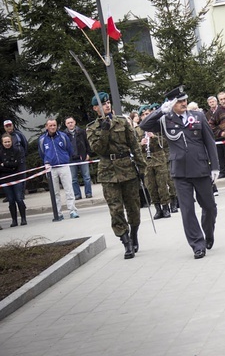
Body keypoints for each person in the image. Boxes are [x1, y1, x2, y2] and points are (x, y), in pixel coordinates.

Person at [141, 86, 220, 259]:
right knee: (187, 210)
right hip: (180, 172)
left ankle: (208, 232)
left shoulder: (197, 116)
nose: (184, 103)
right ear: (172, 104)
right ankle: (197, 244)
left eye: (185, 100)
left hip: (200, 168)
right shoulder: (164, 120)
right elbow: (144, 125)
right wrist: (160, 111)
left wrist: (215, 166)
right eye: (180, 101)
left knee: (210, 207)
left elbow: (210, 142)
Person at [87, 92, 146, 259]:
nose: (107, 105)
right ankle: (126, 241)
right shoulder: (92, 128)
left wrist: (142, 168)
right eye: (102, 104)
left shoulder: (122, 121)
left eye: (108, 102)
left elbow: (134, 144)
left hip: (127, 168)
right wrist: (104, 131)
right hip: (108, 171)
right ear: (96, 108)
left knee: (133, 207)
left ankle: (134, 233)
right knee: (115, 209)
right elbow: (97, 149)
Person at [135, 105, 172, 220]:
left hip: (159, 158)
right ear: (141, 117)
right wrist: (140, 144)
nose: (146, 116)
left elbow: (166, 142)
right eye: (144, 114)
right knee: (150, 186)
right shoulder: (137, 130)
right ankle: (158, 209)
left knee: (162, 185)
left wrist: (155, 137)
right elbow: (133, 147)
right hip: (146, 161)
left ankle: (166, 207)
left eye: (148, 114)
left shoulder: (158, 125)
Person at [38, 118, 80, 219]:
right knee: (55, 192)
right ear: (46, 127)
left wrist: (65, 159)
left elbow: (69, 149)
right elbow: (42, 153)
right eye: (50, 125)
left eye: (54, 125)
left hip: (64, 166)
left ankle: (72, 210)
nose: (53, 127)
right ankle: (58, 213)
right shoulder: (42, 139)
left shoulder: (63, 136)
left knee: (69, 189)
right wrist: (48, 161)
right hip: (51, 168)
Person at [1, 132, 27, 227]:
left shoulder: (17, 150)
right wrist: (9, 166)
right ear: (2, 143)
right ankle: (14, 220)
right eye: (5, 142)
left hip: (17, 178)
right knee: (11, 200)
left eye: (8, 141)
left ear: (11, 141)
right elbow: (1, 168)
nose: (7, 143)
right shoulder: (0, 153)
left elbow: (17, 165)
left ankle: (23, 218)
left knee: (19, 198)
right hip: (6, 180)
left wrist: (5, 164)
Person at [64, 116, 93, 200]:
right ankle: (77, 194)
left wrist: (88, 154)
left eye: (71, 122)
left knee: (86, 177)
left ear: (75, 122)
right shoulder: (64, 135)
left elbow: (87, 143)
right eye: (68, 123)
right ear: (66, 125)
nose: (70, 124)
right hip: (71, 159)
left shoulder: (81, 132)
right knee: (73, 179)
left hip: (83, 157)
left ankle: (88, 193)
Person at [4, 120, 28, 193]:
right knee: (9, 177)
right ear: (4, 127)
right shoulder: (4, 137)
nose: (9, 127)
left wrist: (23, 156)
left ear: (12, 125)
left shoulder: (18, 134)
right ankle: (10, 195)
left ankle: (21, 193)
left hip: (20, 160)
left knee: (22, 176)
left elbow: (25, 145)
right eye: (7, 126)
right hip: (9, 161)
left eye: (10, 125)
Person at [207, 96, 225, 178]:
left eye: (213, 101)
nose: (212, 103)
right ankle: (222, 172)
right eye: (210, 102)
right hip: (216, 137)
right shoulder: (207, 114)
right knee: (220, 156)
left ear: (216, 102)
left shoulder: (221, 110)